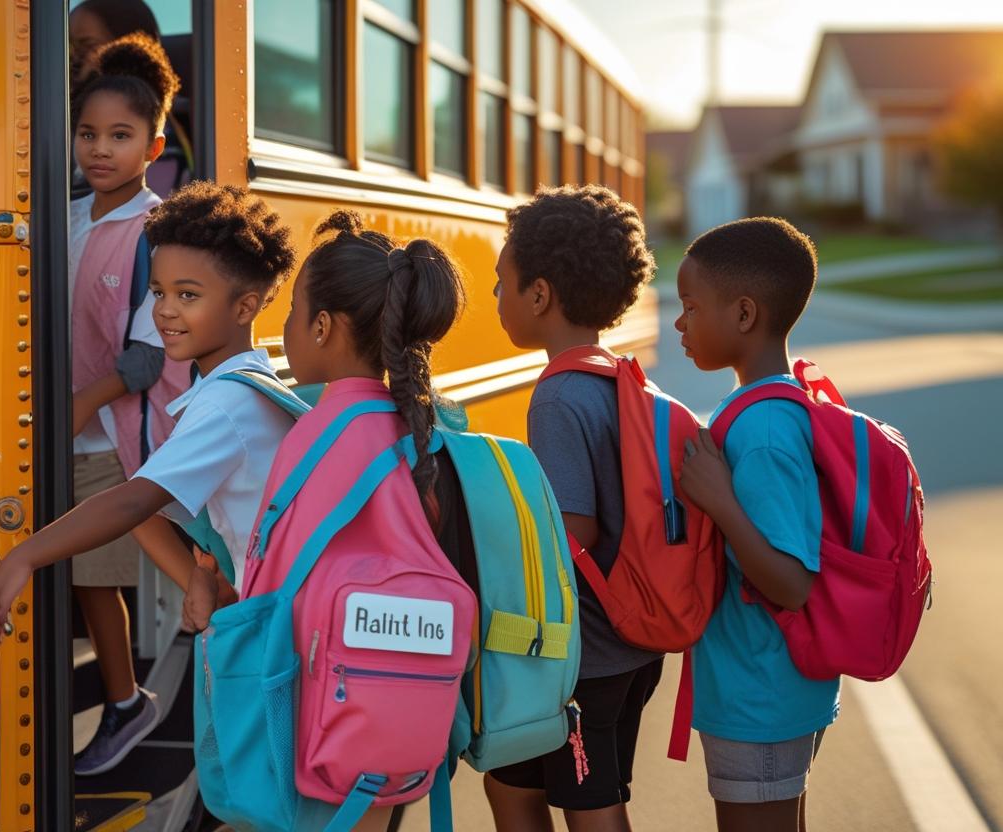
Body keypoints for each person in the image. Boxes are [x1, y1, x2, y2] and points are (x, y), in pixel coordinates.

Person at [0, 175, 298, 668]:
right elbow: (146, 504)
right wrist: (195, 577)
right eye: (157, 292)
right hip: (264, 611)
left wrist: (25, 556)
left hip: (272, 638)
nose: (164, 311)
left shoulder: (225, 407)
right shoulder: (244, 386)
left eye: (187, 296)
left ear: (245, 306)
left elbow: (132, 503)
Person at [226, 210, 469, 832]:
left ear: (325, 327)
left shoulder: (316, 433)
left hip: (322, 723)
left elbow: (272, 593)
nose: (283, 329)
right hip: (404, 711)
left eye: (292, 314)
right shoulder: (418, 426)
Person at [480, 185, 662, 832]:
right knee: (509, 781)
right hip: (628, 645)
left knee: (592, 804)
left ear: (540, 294)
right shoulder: (617, 375)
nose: (495, 296)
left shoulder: (556, 397)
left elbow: (570, 530)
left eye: (502, 282)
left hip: (584, 657)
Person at [673, 217, 834, 832]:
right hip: (765, 688)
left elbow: (791, 584)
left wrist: (719, 500)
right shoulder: (769, 405)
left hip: (760, 692)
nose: (680, 323)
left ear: (744, 314)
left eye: (691, 307)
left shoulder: (764, 432)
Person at [65, 33, 192, 777]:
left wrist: (80, 406)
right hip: (58, 425)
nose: (100, 149)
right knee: (77, 573)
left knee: (95, 576)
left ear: (153, 143)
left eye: (120, 135)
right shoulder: (66, 215)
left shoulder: (153, 230)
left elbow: (147, 357)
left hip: (110, 432)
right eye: (88, 133)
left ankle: (125, 701)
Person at [69, 0, 194, 199]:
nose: (72, 57)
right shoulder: (67, 112)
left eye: (87, 46)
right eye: (69, 46)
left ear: (126, 48)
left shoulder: (156, 132)